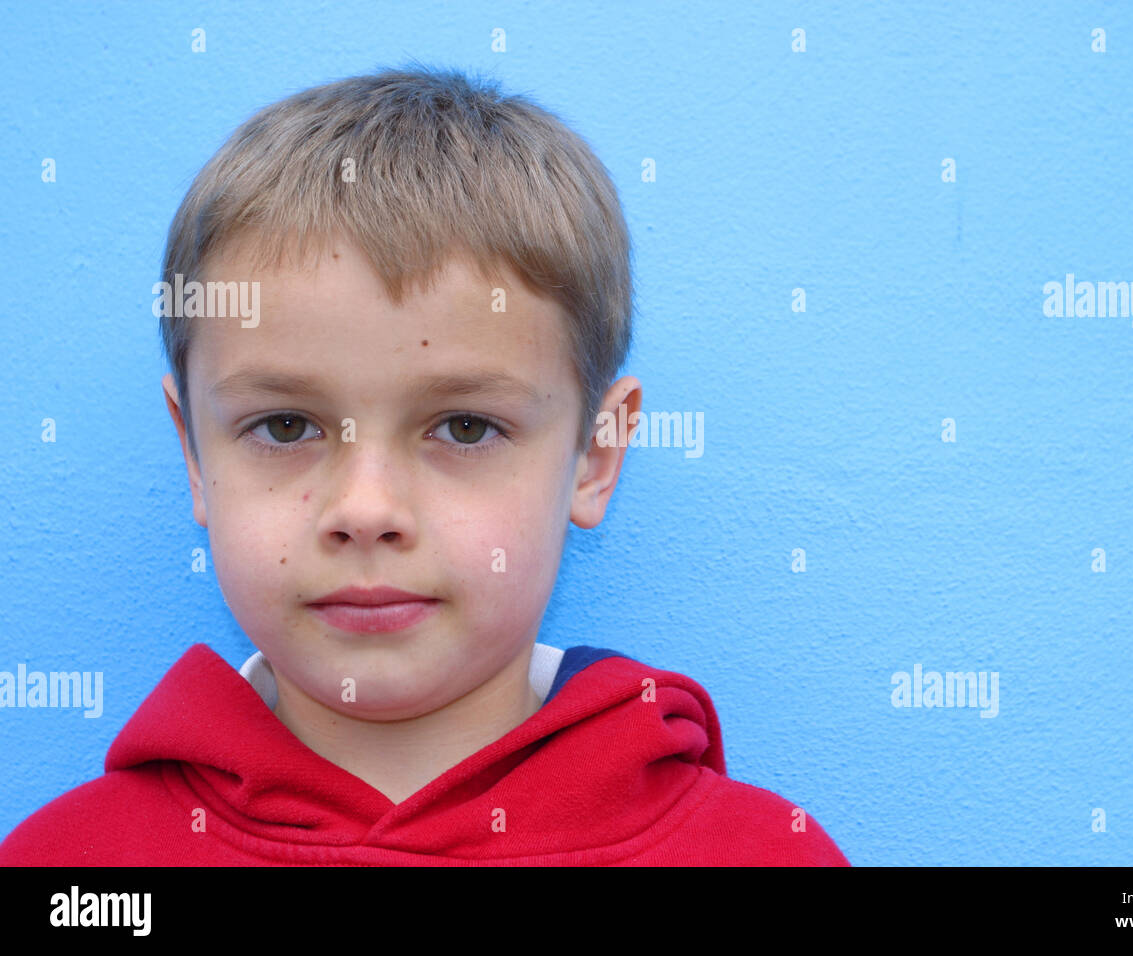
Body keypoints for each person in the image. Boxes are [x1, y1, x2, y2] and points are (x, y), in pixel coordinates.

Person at [0, 66, 849, 865]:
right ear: (193, 454)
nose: (366, 509)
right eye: (286, 425)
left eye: (468, 428)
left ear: (595, 455)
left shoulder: (759, 853)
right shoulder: (74, 865)